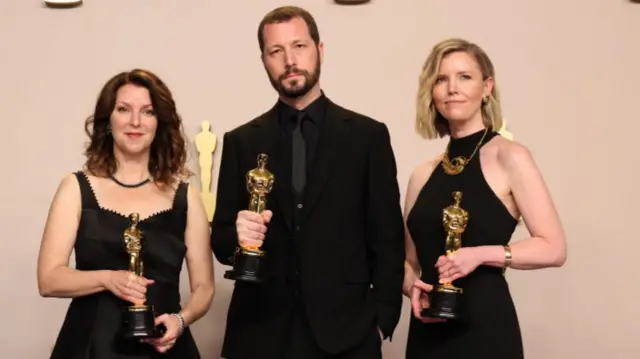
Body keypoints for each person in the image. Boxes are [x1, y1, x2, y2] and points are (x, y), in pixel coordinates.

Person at [210, 6, 405, 359]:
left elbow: (388, 239)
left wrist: (382, 320)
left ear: (320, 49)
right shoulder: (241, 141)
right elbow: (222, 243)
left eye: (299, 46)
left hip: (348, 335)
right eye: (276, 51)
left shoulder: (368, 136)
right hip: (258, 335)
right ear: (264, 61)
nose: (289, 60)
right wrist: (237, 234)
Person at [402, 38, 567, 359]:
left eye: (464, 76)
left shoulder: (511, 157)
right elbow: (409, 261)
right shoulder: (421, 174)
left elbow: (554, 247)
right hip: (427, 331)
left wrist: (478, 255)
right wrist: (411, 287)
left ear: (487, 86)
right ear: (431, 92)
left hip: (485, 329)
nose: (452, 88)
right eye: (441, 78)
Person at [37, 69, 215, 359]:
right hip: (90, 347)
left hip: (165, 348)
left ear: (159, 123)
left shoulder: (187, 198)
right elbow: (48, 279)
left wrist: (181, 321)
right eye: (124, 109)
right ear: (108, 121)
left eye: (147, 112)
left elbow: (205, 286)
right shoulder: (75, 188)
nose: (135, 121)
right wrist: (108, 278)